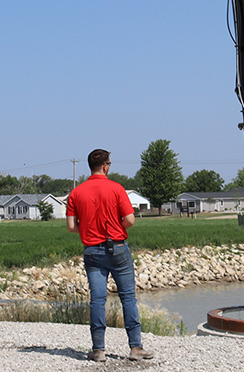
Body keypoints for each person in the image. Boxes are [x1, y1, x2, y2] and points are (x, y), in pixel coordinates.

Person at [66, 149, 154, 362]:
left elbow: (71, 226)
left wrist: (87, 229)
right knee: (128, 298)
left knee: (97, 299)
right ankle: (135, 348)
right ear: (106, 166)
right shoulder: (116, 188)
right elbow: (130, 220)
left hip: (92, 250)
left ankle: (99, 350)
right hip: (117, 247)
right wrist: (117, 227)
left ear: (90, 166)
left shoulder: (76, 193)